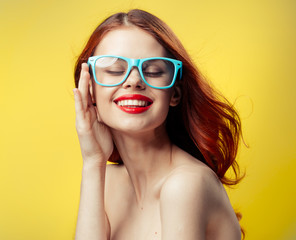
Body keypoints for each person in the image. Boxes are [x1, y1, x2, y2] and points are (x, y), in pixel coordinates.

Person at [73, 9, 244, 240]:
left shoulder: (185, 185)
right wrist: (93, 161)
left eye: (153, 71)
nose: (134, 80)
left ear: (174, 93)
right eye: (114, 70)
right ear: (90, 89)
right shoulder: (106, 181)